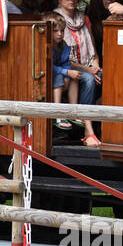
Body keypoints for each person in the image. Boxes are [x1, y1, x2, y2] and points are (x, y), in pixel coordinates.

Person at [45, 11, 99, 146]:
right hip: (50, 75)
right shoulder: (46, 46)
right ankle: (58, 115)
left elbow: (65, 62)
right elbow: (49, 66)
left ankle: (74, 112)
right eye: (55, 31)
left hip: (61, 72)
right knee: (59, 76)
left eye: (62, 31)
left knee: (76, 75)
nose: (59, 34)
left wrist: (70, 72)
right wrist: (66, 72)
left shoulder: (63, 46)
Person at [51, 0, 101, 100]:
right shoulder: (54, 20)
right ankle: (83, 117)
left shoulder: (84, 18)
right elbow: (64, 58)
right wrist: (89, 70)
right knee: (89, 79)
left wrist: (95, 66)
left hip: (87, 65)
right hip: (68, 66)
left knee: (105, 76)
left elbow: (93, 51)